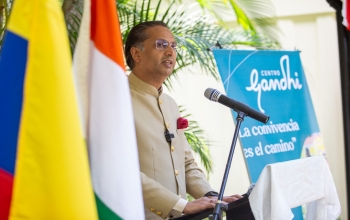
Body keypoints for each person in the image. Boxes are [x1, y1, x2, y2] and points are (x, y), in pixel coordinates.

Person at [125, 21, 242, 220]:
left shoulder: (170, 104)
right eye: (161, 45)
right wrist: (181, 205)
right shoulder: (117, 102)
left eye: (173, 45)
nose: (171, 52)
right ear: (137, 54)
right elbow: (120, 170)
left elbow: (186, 163)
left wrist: (212, 197)